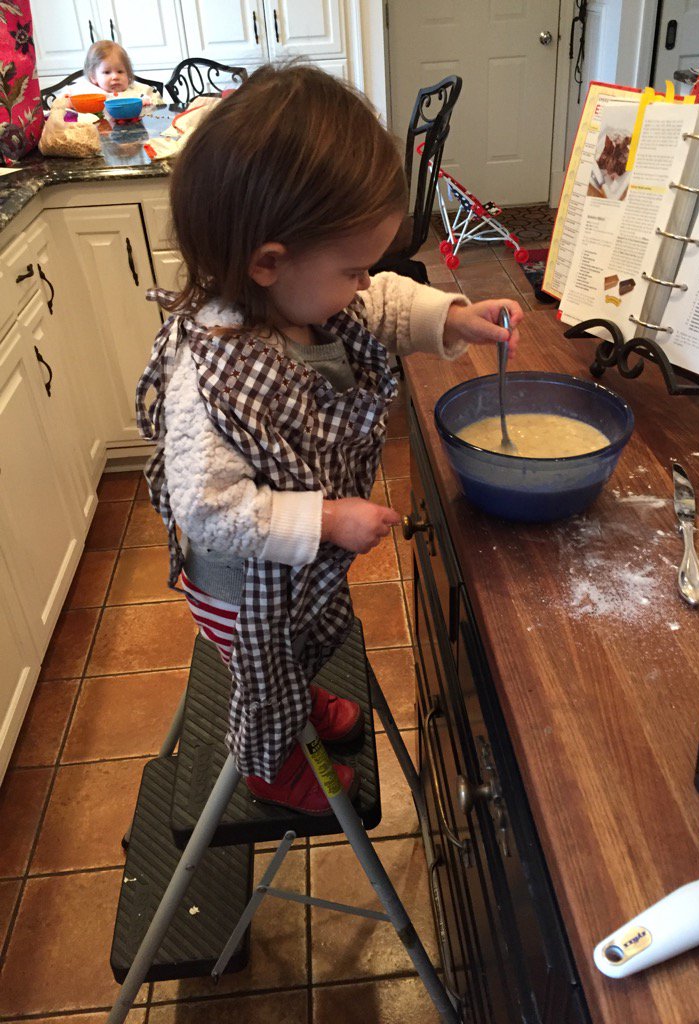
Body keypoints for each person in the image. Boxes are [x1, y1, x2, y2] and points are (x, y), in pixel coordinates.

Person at [136, 63, 523, 816]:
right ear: (268, 262)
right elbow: (209, 511)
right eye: (352, 268)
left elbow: (376, 303)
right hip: (240, 591)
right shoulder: (209, 377)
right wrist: (324, 520)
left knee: (300, 645)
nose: (363, 284)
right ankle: (269, 761)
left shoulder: (301, 298)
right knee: (266, 670)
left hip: (290, 574)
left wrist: (449, 318)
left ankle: (301, 697)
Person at [59, 40, 159, 105]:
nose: (115, 76)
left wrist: (149, 103)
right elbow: (62, 101)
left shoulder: (138, 90)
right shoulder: (85, 91)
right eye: (107, 72)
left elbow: (159, 104)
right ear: (93, 76)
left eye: (120, 71)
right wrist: (67, 102)